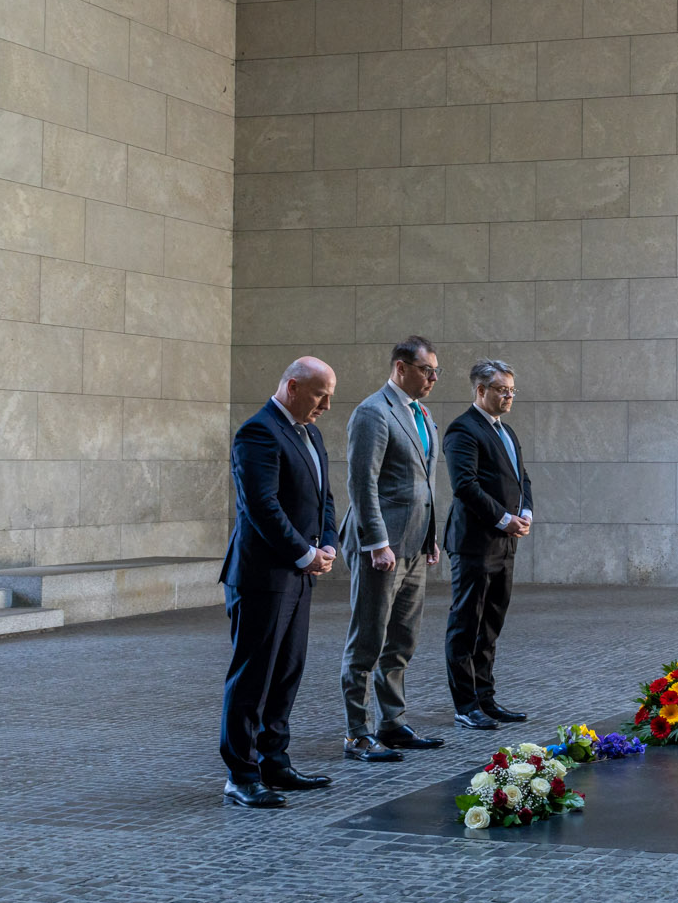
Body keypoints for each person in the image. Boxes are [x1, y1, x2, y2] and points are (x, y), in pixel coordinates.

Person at [219, 357, 341, 808]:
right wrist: (305, 553)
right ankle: (241, 774)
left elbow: (326, 498)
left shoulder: (309, 432)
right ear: (291, 386)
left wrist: (326, 544)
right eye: (319, 394)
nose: (326, 405)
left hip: (299, 571)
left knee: (287, 672)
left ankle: (275, 761)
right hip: (262, 577)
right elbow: (261, 506)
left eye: (329, 395)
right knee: (253, 677)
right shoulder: (259, 431)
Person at [338, 337, 448, 762]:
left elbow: (424, 484)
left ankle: (392, 723)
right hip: (381, 548)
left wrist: (431, 536)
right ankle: (357, 733)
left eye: (436, 371)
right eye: (427, 370)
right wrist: (376, 542)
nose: (433, 378)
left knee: (401, 639)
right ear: (401, 368)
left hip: (415, 544)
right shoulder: (372, 412)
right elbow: (362, 483)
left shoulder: (421, 414)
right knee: (368, 638)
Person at [441, 359, 534, 731]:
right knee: (467, 624)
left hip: (505, 541)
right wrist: (503, 518)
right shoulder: (463, 430)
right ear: (480, 391)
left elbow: (521, 477)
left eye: (512, 390)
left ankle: (486, 698)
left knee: (491, 625)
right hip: (474, 543)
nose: (509, 396)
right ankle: (465, 704)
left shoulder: (506, 431)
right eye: (502, 390)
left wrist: (525, 511)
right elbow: (464, 486)